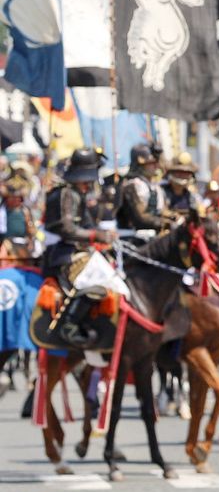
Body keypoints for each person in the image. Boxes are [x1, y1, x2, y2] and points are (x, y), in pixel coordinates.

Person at [41, 147, 116, 346]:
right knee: (97, 278)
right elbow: (67, 228)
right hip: (62, 253)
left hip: (77, 250)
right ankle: (70, 324)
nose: (89, 184)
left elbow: (88, 225)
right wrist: (95, 234)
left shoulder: (77, 193)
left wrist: (105, 237)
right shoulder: (66, 193)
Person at [116, 143, 172, 235]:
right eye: (151, 163)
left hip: (154, 234)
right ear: (140, 164)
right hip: (132, 235)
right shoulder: (131, 186)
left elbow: (162, 210)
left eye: (156, 163)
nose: (156, 166)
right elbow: (141, 218)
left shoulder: (155, 186)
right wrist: (165, 223)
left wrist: (176, 217)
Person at [162, 152, 200, 217]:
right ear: (171, 173)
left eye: (186, 173)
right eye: (179, 172)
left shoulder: (191, 196)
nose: (183, 175)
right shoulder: (160, 192)